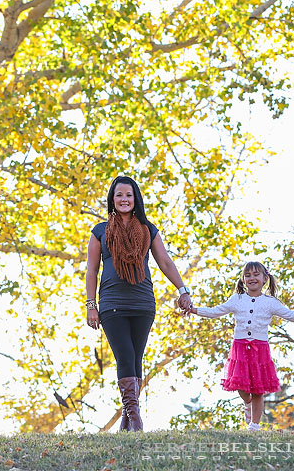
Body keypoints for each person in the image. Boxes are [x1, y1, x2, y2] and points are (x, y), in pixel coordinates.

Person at [85, 176, 193, 431]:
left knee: (136, 359)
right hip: (112, 303)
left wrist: (183, 291)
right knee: (125, 355)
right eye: (119, 195)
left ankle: (127, 422)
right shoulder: (100, 231)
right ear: (113, 199)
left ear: (136, 200)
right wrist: (91, 305)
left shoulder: (147, 229)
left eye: (129, 195)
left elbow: (164, 261)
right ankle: (136, 419)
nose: (124, 200)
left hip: (143, 303)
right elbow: (91, 270)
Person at [189, 261, 294, 430]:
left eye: (256, 274)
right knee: (240, 385)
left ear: (265, 278)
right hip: (240, 348)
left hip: (260, 349)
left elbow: (291, 316)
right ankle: (247, 403)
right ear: (243, 280)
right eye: (248, 275)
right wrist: (195, 310)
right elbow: (216, 311)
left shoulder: (270, 302)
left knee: (258, 389)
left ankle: (254, 425)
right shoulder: (237, 299)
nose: (252, 278)